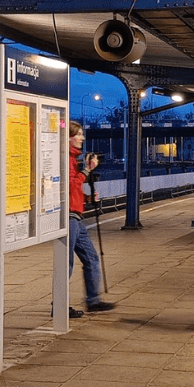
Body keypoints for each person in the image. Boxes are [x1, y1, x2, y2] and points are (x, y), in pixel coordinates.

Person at [67, 120, 115, 316]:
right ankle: (59, 305)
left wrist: (87, 198)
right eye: (78, 134)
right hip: (68, 218)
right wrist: (88, 170)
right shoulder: (65, 159)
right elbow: (69, 186)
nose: (82, 137)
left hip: (77, 217)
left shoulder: (73, 159)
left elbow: (75, 190)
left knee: (92, 257)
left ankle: (93, 300)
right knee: (66, 264)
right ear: (68, 137)